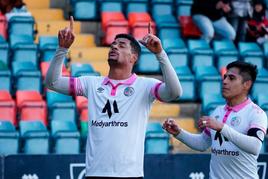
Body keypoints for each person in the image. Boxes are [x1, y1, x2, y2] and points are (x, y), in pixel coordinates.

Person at [45, 17, 183, 179]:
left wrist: (160, 54)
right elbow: (52, 83)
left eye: (121, 45)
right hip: (95, 175)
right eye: (113, 45)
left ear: (134, 58)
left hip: (130, 175)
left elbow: (175, 93)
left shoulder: (144, 86)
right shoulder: (92, 83)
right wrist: (62, 49)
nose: (114, 47)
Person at [163, 61, 267, 178]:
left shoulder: (256, 113)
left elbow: (255, 147)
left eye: (231, 78)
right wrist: (179, 133)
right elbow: (202, 144)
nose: (225, 81)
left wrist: (222, 128)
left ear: (246, 84)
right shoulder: (218, 111)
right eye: (225, 77)